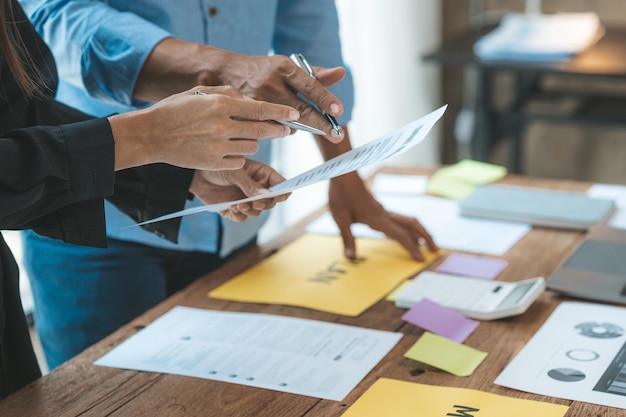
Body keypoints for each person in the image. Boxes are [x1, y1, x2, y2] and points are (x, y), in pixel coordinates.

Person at [20, 0, 439, 370]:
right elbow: (51, 18)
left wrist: (345, 176)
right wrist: (218, 67)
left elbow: (308, 26)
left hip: (230, 202)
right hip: (98, 212)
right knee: (100, 396)